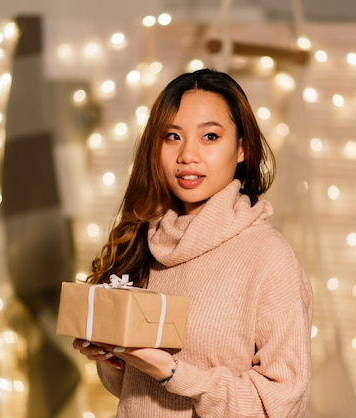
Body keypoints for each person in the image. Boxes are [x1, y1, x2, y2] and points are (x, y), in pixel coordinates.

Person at [73, 68, 313, 417]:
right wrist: (115, 359)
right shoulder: (143, 240)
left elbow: (279, 405)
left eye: (210, 137)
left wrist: (174, 373)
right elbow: (133, 395)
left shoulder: (267, 256)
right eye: (172, 136)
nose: (188, 155)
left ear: (242, 148)